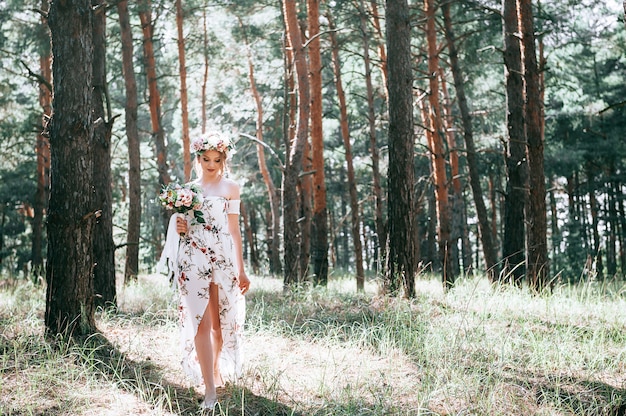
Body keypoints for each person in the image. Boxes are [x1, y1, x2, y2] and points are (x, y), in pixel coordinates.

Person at [159, 131, 250, 411]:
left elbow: (234, 230)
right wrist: (180, 224)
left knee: (219, 325)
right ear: (198, 159)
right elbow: (182, 222)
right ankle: (209, 389)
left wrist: (242, 269)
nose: (211, 164)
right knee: (200, 321)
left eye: (217, 159)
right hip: (193, 258)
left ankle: (216, 370)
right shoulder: (188, 191)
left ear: (223, 160)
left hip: (221, 258)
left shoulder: (231, 188)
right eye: (206, 158)